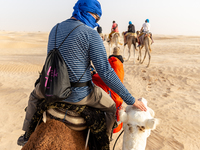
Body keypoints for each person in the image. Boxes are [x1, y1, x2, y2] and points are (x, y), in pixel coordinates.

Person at [17, 0, 147, 146]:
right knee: (110, 107)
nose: (96, 22)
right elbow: (106, 72)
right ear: (91, 14)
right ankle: (104, 144)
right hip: (79, 94)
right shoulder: (91, 34)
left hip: (49, 88)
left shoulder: (55, 28)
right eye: (96, 18)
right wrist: (131, 100)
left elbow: (56, 61)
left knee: (34, 97)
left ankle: (27, 135)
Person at [92, 47, 124, 133]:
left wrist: (93, 74)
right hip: (117, 103)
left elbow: (102, 78)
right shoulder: (120, 68)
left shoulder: (110, 64)